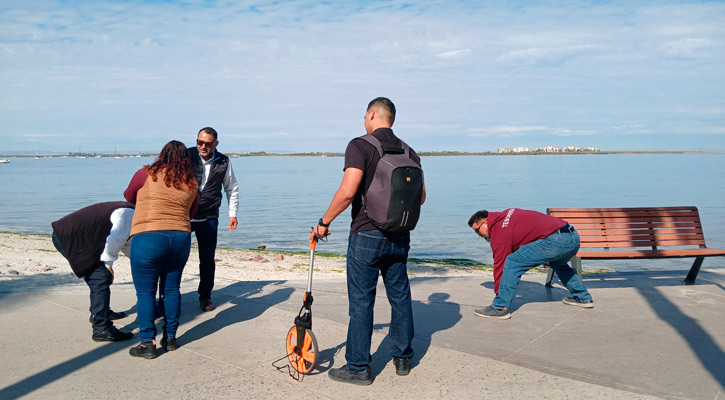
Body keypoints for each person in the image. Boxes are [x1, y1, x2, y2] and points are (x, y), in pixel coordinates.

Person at [310, 97, 426, 385]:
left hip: (366, 233)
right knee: (400, 296)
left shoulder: (359, 145)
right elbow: (421, 197)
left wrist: (324, 223)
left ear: (371, 115)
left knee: (362, 301)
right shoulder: (409, 151)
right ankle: (403, 358)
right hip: (400, 236)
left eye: (365, 116)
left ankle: (358, 367)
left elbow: (349, 191)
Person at [124, 140, 199, 359]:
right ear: (186, 159)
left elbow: (129, 196)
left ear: (162, 155)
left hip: (148, 235)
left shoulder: (145, 173)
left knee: (146, 292)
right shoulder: (191, 182)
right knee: (172, 290)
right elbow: (192, 213)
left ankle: (147, 343)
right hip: (179, 237)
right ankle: (171, 338)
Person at [467, 208, 594, 320]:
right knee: (558, 264)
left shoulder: (499, 233)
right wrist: (545, 256)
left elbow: (500, 265)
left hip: (554, 241)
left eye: (478, 230)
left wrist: (499, 295)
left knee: (512, 262)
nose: (479, 235)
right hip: (573, 237)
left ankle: (499, 308)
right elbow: (526, 234)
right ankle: (583, 297)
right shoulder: (507, 214)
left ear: (486, 222)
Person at [51, 201, 135, 342]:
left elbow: (126, 243)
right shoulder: (129, 214)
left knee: (99, 277)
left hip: (77, 236)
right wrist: (108, 264)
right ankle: (101, 328)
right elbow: (115, 239)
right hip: (70, 238)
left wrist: (141, 263)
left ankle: (100, 313)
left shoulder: (128, 210)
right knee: (100, 278)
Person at [187, 127, 239, 312]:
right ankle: (167, 296)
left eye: (207, 144)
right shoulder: (186, 156)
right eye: (199, 142)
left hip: (209, 216)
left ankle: (205, 296)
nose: (202, 146)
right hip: (184, 216)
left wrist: (232, 214)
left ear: (215, 144)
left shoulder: (223, 161)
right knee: (175, 258)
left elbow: (231, 188)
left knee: (207, 259)